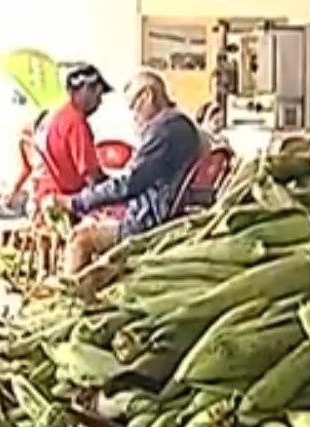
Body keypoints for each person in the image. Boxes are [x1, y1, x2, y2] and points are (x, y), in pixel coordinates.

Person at [52, 69, 202, 274]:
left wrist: (76, 202)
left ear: (148, 95)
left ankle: (67, 301)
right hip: (162, 212)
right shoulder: (182, 126)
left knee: (80, 239)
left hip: (148, 223)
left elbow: (129, 183)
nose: (134, 117)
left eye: (134, 106)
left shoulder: (165, 129)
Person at [31, 63, 111, 208]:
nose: (100, 102)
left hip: (43, 198)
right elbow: (92, 178)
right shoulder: (76, 123)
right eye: (98, 95)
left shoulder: (57, 115)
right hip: (61, 203)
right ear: (86, 89)